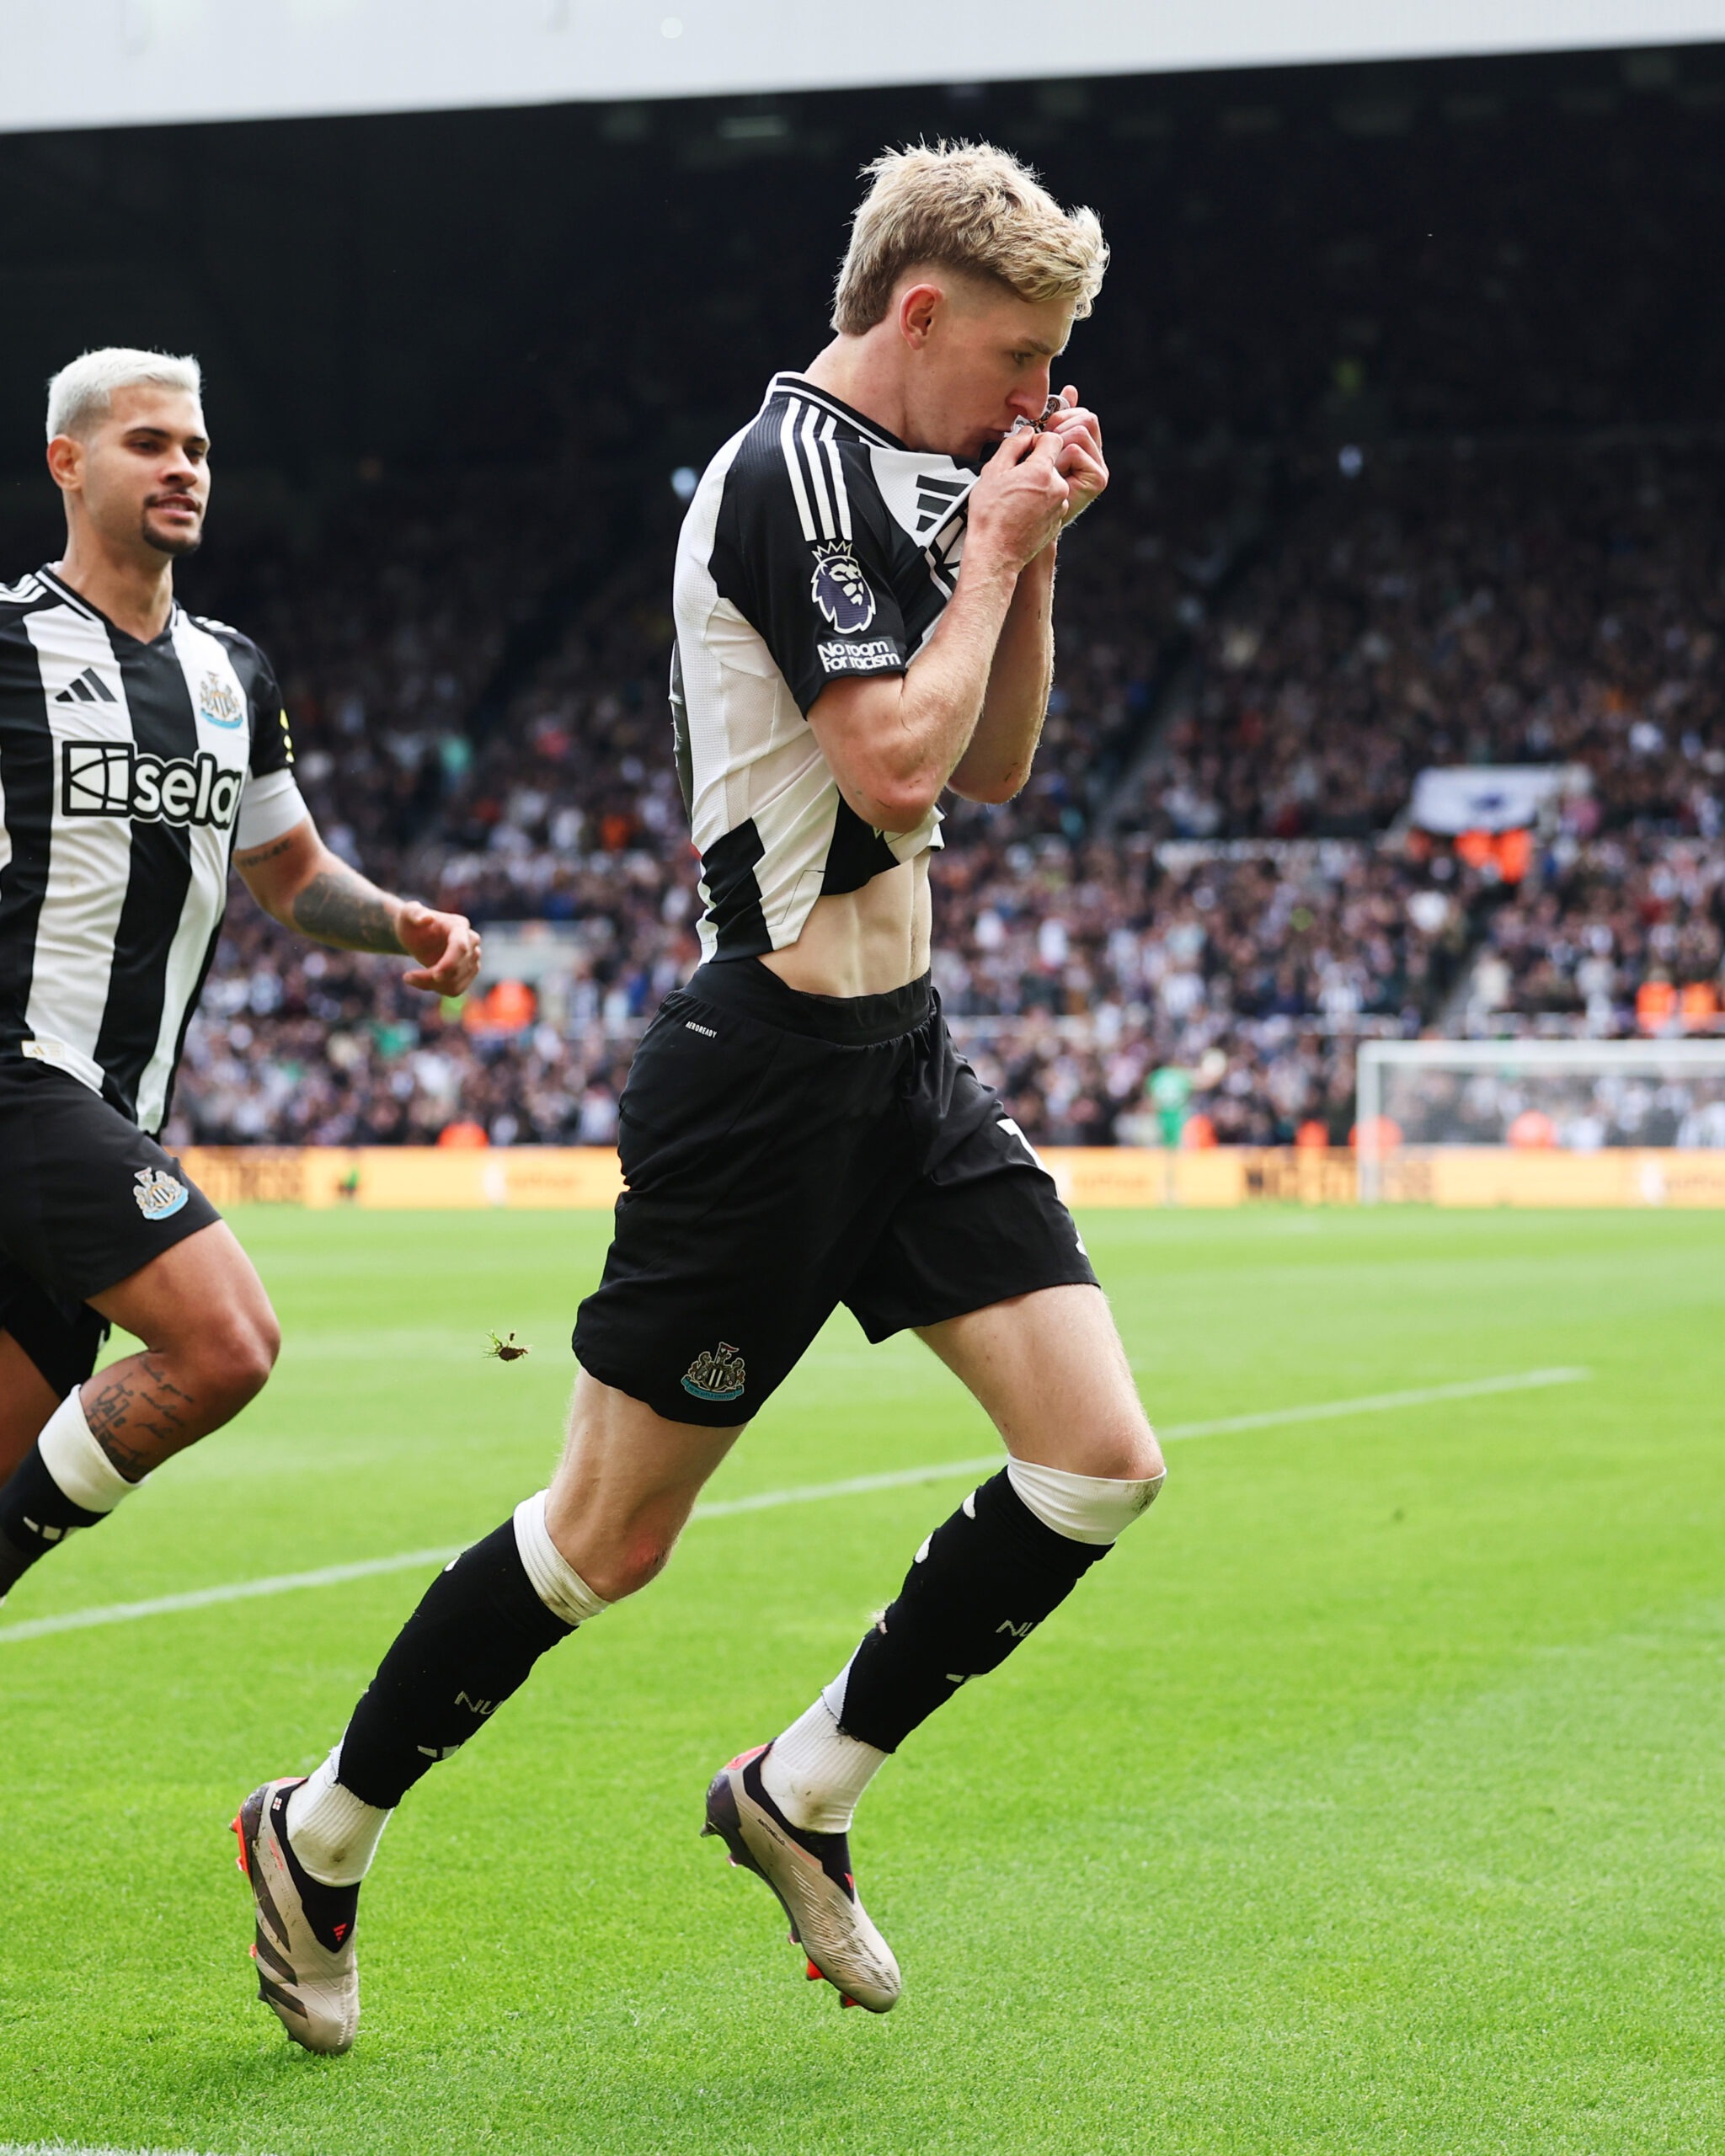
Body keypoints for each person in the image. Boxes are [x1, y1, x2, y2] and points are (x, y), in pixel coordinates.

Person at [234, 144, 1165, 2054]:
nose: (1035, 393)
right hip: (759, 1077)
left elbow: (991, 767)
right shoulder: (786, 477)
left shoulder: (920, 476)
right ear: (918, 311)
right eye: (1018, 352)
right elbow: (895, 766)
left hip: (903, 1058)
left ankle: (803, 1786)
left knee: (1097, 1461)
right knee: (604, 1536)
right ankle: (315, 1826)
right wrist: (990, 551)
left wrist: (1032, 549)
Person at [0, 349, 481, 1609]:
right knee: (229, 1341)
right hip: (19, 1077)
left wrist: (404, 924)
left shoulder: (232, 674)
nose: (183, 469)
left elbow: (288, 869)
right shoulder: (8, 646)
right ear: (68, 462)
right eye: (149, 444)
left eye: (198, 449)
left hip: (111, 1114)